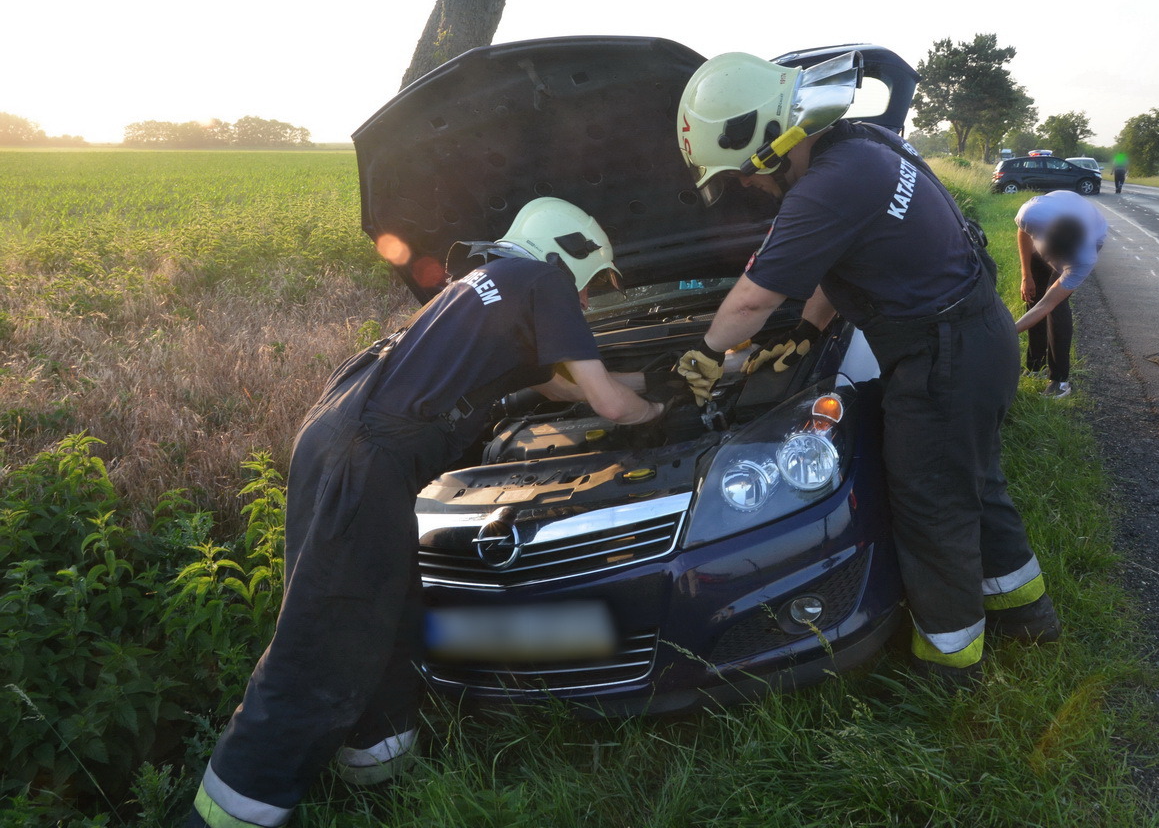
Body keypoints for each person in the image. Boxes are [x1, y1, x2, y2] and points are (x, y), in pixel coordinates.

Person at [187, 198, 669, 828]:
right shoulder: (546, 279)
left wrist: (660, 375)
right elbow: (605, 404)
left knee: (382, 606)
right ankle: (228, 813)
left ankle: (377, 773)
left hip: (339, 430)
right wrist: (664, 411)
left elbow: (559, 388)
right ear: (568, 256)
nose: (583, 300)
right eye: (589, 283)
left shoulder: (484, 283)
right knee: (320, 639)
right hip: (368, 456)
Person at [672, 52, 1058, 686]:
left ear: (770, 145)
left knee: (932, 503)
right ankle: (1027, 614)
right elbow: (843, 260)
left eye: (742, 173)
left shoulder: (829, 185)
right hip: (972, 339)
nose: (744, 186)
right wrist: (806, 331)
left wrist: (705, 357)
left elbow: (750, 298)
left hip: (943, 355)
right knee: (973, 482)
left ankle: (948, 664)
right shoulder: (863, 145)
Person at [1013, 191, 1108, 398]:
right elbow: (1022, 232)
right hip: (1058, 212)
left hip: (1091, 232)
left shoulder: (1083, 259)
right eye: (1048, 255)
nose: (1050, 261)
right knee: (1033, 293)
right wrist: (1026, 275)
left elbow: (1046, 305)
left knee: (1055, 306)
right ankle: (1036, 366)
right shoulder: (1031, 214)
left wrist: (1008, 332)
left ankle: (1060, 380)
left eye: (1057, 259)